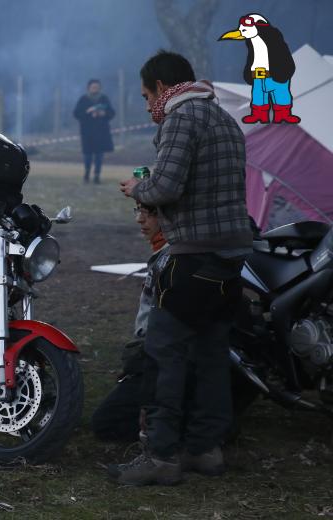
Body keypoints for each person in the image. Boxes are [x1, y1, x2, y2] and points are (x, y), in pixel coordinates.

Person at [112, 50, 251, 486]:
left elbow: (167, 186)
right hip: (231, 255)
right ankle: (204, 449)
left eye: (145, 95)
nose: (147, 105)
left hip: (193, 255)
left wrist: (139, 187)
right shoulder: (224, 120)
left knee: (163, 354)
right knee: (210, 353)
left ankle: (162, 455)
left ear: (160, 88)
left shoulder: (181, 118)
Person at [91, 202, 169, 442]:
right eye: (138, 212)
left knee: (107, 423)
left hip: (163, 360)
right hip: (157, 356)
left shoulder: (172, 259)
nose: (140, 220)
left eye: (149, 213)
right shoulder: (164, 254)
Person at [73, 79, 115, 184]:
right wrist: (88, 112)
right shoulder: (83, 99)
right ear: (89, 88)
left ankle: (97, 175)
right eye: (93, 87)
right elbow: (76, 113)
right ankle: (87, 173)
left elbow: (112, 113)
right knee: (87, 155)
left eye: (97, 87)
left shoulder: (104, 99)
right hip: (87, 133)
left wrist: (103, 114)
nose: (95, 89)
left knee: (99, 155)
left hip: (101, 133)